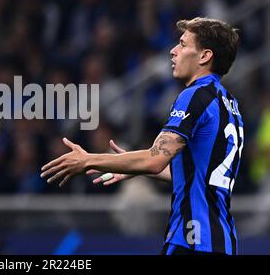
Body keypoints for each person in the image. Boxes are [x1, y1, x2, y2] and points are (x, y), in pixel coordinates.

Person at [41, 17, 243, 255]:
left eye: (183, 44)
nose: (173, 51)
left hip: (192, 239)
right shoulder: (230, 104)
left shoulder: (195, 96)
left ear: (204, 56)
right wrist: (130, 165)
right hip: (223, 241)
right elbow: (199, 173)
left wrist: (88, 160)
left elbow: (154, 160)